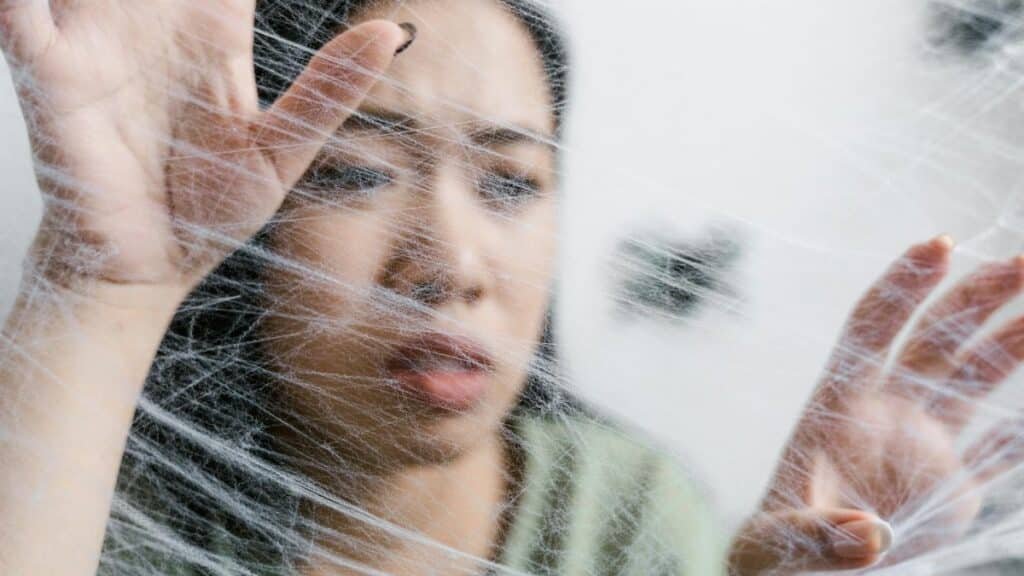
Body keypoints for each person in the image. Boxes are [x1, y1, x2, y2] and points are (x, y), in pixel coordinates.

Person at [1, 0, 1022, 575]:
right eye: (354, 173)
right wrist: (102, 288)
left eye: (510, 183)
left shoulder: (618, 515)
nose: (450, 265)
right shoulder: (105, 523)